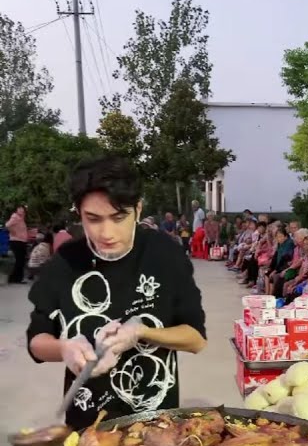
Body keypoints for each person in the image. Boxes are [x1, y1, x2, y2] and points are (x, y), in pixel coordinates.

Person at [26, 156, 207, 431]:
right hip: (87, 424)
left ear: (138, 208)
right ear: (79, 213)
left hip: (154, 422)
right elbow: (37, 341)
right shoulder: (66, 260)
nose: (106, 232)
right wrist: (64, 348)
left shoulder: (164, 254)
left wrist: (143, 332)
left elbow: (196, 340)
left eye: (119, 217)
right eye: (93, 219)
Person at [6, 205, 29, 284]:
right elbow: (7, 225)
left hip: (21, 241)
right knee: (19, 261)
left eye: (22, 209)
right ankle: (14, 278)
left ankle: (16, 278)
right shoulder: (15, 217)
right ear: (17, 210)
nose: (21, 211)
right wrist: (13, 232)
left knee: (21, 261)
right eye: (20, 209)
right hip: (17, 241)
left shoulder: (21, 219)